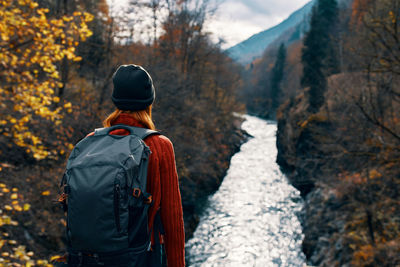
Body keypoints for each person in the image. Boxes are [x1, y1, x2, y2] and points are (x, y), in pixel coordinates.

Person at [97, 64, 185, 266]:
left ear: (115, 99)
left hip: (92, 257)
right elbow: (172, 220)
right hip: (140, 257)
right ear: (149, 102)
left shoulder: (91, 140)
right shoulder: (159, 145)